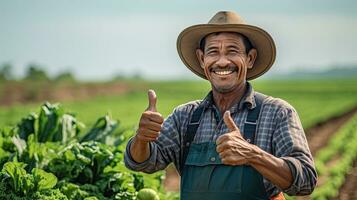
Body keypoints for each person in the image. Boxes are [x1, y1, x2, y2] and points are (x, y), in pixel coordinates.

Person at [124, 11, 317, 200]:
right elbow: (143, 163)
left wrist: (254, 155)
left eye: (232, 51)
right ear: (202, 59)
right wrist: (142, 139)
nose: (222, 61)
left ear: (250, 58)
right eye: (213, 52)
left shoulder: (276, 112)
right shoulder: (185, 117)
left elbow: (306, 180)